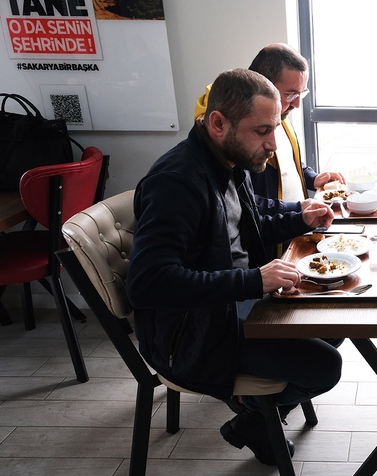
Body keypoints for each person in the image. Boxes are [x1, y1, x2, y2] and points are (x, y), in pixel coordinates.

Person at [128, 68, 342, 466]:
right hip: (191, 335)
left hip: (230, 307)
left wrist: (299, 217)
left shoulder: (225, 159)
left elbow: (252, 214)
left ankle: (257, 420)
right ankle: (256, 418)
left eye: (275, 128)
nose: (272, 144)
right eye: (262, 131)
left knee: (335, 318)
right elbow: (148, 282)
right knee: (324, 366)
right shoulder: (176, 182)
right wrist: (252, 280)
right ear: (218, 122)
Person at [195, 43, 345, 211]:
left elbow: (289, 162)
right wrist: (295, 209)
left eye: (301, 94)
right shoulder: (234, 126)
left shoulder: (280, 111)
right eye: (290, 94)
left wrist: (313, 178)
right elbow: (239, 199)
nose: (296, 104)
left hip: (291, 225)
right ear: (264, 84)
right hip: (272, 229)